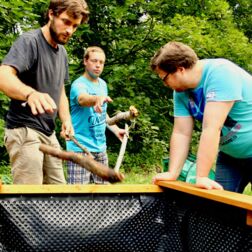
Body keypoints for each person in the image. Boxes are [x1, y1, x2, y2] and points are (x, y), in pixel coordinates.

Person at [0, 0, 89, 184]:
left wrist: (66, 120)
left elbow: (60, 91)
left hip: (49, 134)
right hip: (25, 131)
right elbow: (3, 76)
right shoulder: (30, 41)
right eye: (65, 22)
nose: (70, 30)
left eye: (75, 26)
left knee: (58, 197)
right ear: (51, 14)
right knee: (29, 203)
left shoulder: (62, 53)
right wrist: (30, 94)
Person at [151, 41, 252, 193]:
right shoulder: (180, 91)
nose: (165, 84)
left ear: (180, 70)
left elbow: (212, 128)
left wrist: (202, 176)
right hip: (230, 156)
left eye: (164, 78)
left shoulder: (221, 73)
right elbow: (181, 133)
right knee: (220, 210)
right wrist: (173, 173)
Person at [66, 46, 125, 184]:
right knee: (77, 197)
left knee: (103, 196)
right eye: (94, 61)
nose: (98, 65)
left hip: (100, 149)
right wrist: (96, 99)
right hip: (79, 149)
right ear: (85, 61)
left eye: (101, 62)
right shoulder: (78, 84)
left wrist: (115, 129)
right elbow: (82, 99)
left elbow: (101, 113)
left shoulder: (103, 85)